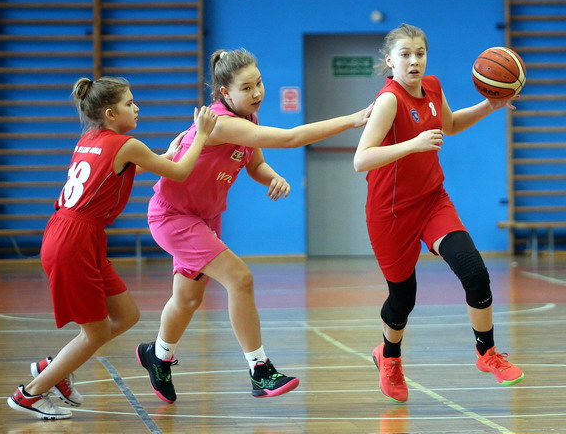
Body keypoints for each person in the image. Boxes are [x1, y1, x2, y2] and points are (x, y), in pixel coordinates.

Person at [136, 48, 371, 402]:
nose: (257, 92)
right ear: (225, 93)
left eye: (258, 83)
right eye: (246, 88)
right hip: (174, 216)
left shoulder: (248, 118)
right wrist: (351, 119)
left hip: (204, 217)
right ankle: (260, 370)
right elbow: (291, 138)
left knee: (187, 299)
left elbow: (255, 164)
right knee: (240, 279)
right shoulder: (222, 123)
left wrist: (272, 176)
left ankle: (158, 355)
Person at [7, 76, 217, 420]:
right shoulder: (127, 144)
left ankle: (56, 368)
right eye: (129, 103)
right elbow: (179, 173)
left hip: (73, 233)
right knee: (97, 332)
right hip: (74, 239)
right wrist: (203, 135)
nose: (137, 108)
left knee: (126, 316)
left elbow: (131, 166)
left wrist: (167, 154)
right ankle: (30, 394)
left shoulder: (90, 139)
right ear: (110, 113)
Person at [353, 23, 524, 403]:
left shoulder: (432, 86)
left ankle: (487, 353)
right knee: (403, 299)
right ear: (389, 61)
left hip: (432, 200)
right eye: (405, 55)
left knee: (474, 271)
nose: (414, 61)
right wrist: (412, 144)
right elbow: (361, 159)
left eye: (420, 53)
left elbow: (450, 125)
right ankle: (389, 356)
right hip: (390, 212)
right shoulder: (389, 101)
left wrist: (490, 105)